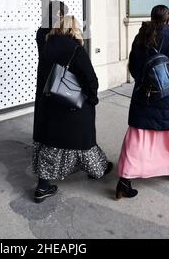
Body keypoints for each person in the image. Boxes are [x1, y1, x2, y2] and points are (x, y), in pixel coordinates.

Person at [33, 15, 112, 203]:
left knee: (49, 146)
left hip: (50, 105)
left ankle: (42, 187)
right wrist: (92, 99)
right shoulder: (76, 49)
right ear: (73, 29)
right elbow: (91, 80)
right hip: (72, 106)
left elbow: (41, 32)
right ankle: (97, 170)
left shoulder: (44, 46)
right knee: (84, 142)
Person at [116, 5, 169, 200]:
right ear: (168, 19)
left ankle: (124, 182)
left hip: (143, 95)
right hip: (168, 96)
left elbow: (132, 65)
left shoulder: (140, 37)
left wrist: (143, 81)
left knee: (138, 139)